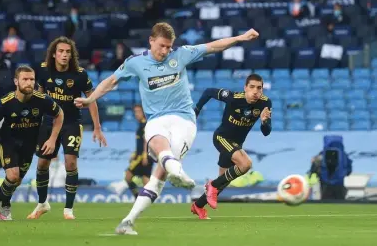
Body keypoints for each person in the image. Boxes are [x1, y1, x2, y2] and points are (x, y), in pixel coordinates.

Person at [74, 22, 259, 235]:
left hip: (184, 121)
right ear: (151, 41)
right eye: (161, 46)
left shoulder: (181, 55)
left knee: (158, 176)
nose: (165, 51)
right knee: (160, 147)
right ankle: (174, 173)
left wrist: (240, 38)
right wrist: (91, 99)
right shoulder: (135, 63)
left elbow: (214, 46)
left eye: (168, 47)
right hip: (156, 120)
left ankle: (133, 215)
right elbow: (111, 81)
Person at [27, 36, 107, 220]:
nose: (64, 55)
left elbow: (92, 99)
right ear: (54, 54)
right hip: (48, 122)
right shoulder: (43, 70)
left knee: (70, 163)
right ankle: (42, 204)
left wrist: (97, 127)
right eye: (61, 51)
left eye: (68, 52)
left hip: (71, 123)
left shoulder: (79, 74)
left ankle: (68, 209)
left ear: (72, 55)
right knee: (42, 164)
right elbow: (39, 96)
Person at [0, 65, 64, 220]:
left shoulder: (42, 100)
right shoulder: (5, 103)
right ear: (16, 81)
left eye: (32, 79)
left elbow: (59, 114)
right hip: (8, 142)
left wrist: (52, 139)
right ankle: (2, 203)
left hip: (29, 144)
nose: (29, 83)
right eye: (25, 79)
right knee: (12, 176)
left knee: (17, 181)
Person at [191, 74, 272, 219]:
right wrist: (196, 110)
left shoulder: (265, 104)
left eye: (259, 88)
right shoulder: (234, 97)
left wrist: (265, 122)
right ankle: (212, 186)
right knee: (246, 164)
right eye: (252, 87)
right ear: (245, 88)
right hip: (221, 138)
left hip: (236, 144)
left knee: (223, 181)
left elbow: (266, 133)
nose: (255, 91)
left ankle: (198, 206)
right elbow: (209, 91)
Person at [125, 104, 155, 198]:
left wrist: (145, 155)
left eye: (138, 112)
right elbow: (140, 143)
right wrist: (134, 153)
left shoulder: (145, 125)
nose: (136, 114)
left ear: (143, 112)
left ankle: (137, 197)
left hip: (143, 156)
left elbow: (146, 141)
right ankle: (146, 199)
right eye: (135, 112)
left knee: (128, 176)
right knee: (146, 179)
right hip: (143, 155)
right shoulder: (142, 125)